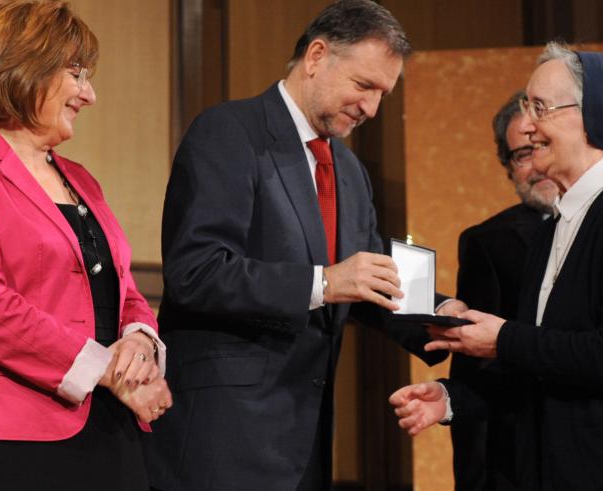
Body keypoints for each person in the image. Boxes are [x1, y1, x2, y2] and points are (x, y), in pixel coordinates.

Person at [147, 1, 454, 490]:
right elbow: (197, 272)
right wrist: (326, 281)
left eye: (383, 94)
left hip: (304, 441)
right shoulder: (229, 132)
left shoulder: (349, 170)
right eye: (364, 86)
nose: (372, 108)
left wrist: (445, 315)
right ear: (316, 56)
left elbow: (369, 272)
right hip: (222, 438)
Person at [391, 42, 603, 490]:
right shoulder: (554, 228)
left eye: (539, 107)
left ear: (591, 114)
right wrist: (449, 400)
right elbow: (542, 362)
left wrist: (502, 338)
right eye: (526, 107)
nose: (526, 126)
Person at [0, 2, 170, 489]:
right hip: (10, 439)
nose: (89, 95)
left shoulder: (83, 182)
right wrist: (106, 369)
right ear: (22, 66)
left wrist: (140, 341)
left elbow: (125, 290)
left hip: (113, 433)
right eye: (76, 74)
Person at [446, 91, 558, 491]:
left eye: (541, 147)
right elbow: (474, 371)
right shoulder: (488, 242)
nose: (535, 165)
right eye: (520, 155)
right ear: (508, 168)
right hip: (520, 462)